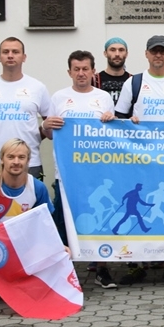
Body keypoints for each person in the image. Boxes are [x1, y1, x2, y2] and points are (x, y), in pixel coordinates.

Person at [114, 35, 164, 284]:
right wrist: (130, 122)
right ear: (146, 55)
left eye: (162, 52)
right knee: (138, 210)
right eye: (154, 52)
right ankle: (135, 264)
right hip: (140, 160)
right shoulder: (134, 83)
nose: (158, 56)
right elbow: (118, 120)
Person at [42, 50, 116, 289]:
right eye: (77, 69)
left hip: (96, 174)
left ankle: (102, 269)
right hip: (65, 175)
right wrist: (45, 126)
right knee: (63, 223)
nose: (81, 73)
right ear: (69, 72)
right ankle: (63, 273)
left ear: (94, 71)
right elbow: (51, 135)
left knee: (99, 222)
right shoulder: (59, 97)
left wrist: (110, 119)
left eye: (86, 69)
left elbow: (112, 136)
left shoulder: (103, 97)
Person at [0, 138, 54, 306]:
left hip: (19, 246)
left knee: (58, 255)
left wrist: (59, 247)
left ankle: (12, 283)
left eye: (21, 157)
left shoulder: (37, 188)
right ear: (2, 159)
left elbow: (46, 224)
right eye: (11, 157)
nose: (16, 162)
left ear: (28, 160)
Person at [0, 37, 51, 178]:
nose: (10, 55)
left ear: (24, 57)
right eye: (6, 52)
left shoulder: (37, 87)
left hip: (29, 162)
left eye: (15, 52)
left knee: (31, 200)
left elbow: (49, 122)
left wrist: (34, 136)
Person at [94, 38, 130, 102]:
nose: (117, 54)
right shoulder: (95, 80)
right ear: (105, 53)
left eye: (121, 50)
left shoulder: (133, 81)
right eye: (112, 50)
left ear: (126, 54)